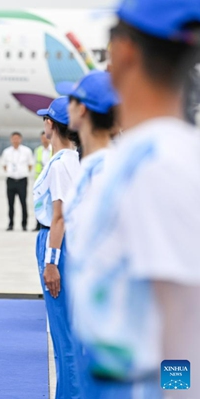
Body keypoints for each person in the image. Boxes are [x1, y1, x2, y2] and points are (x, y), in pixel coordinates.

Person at [68, 0, 200, 397]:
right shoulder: (143, 156)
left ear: (125, 51)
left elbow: (182, 328)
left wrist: (176, 393)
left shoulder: (161, 165)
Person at [58, 71, 120, 398]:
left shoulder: (112, 172)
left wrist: (178, 386)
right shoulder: (88, 169)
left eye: (70, 98)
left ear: (81, 109)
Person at [33, 96, 81, 399]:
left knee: (63, 336)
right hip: (67, 242)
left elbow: (59, 217)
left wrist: (51, 262)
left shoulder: (62, 163)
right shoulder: (77, 159)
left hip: (56, 242)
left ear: (51, 124)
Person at [1, 132, 34, 231]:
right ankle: (11, 223)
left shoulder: (26, 151)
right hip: (11, 180)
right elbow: (4, 165)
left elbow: (30, 165)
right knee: (10, 204)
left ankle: (24, 224)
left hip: (22, 180)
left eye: (17, 138)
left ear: (20, 139)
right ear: (11, 140)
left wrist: (23, 172)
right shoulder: (6, 152)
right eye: (13, 139)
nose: (15, 140)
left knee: (23, 203)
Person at [33, 131, 52, 230]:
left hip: (50, 180)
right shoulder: (38, 150)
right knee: (39, 203)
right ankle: (38, 224)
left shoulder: (53, 150)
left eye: (46, 137)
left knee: (49, 203)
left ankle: (49, 223)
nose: (44, 140)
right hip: (40, 181)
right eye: (42, 138)